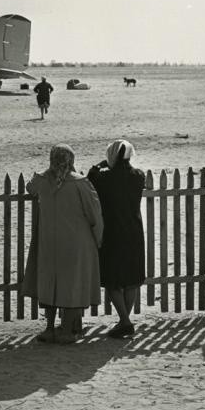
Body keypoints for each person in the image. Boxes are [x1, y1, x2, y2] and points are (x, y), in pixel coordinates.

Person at [22, 144, 104, 344]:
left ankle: (49, 328)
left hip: (49, 242)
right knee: (73, 284)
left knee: (50, 283)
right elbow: (95, 214)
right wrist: (98, 239)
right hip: (77, 243)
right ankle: (68, 330)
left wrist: (46, 172)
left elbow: (30, 187)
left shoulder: (43, 181)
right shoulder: (80, 183)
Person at [87, 139, 146, 338]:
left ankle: (125, 321)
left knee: (113, 279)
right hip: (134, 230)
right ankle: (124, 321)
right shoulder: (138, 176)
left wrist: (100, 166)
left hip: (112, 231)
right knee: (131, 279)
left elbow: (90, 178)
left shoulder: (104, 179)